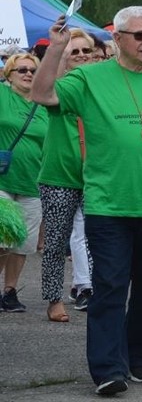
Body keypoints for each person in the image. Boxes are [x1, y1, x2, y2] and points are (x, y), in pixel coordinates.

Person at [30, 8, 142, 396]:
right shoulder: (90, 78)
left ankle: (139, 358)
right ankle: (108, 369)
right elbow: (42, 94)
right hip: (109, 205)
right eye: (139, 35)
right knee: (109, 286)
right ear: (118, 40)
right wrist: (56, 50)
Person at [39, 29, 96, 322]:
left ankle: (95, 291)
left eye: (86, 51)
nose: (82, 56)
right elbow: (46, 90)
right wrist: (59, 51)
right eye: (75, 52)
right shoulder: (61, 87)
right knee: (57, 241)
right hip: (59, 175)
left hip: (97, 177)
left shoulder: (101, 88)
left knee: (99, 238)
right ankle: (53, 299)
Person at [0, 53, 49, 314]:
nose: (28, 73)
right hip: (2, 179)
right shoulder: (1, 94)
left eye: (33, 70)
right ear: (9, 74)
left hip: (33, 181)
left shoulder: (43, 102)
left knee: (23, 242)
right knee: (2, 237)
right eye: (22, 70)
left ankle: (9, 292)